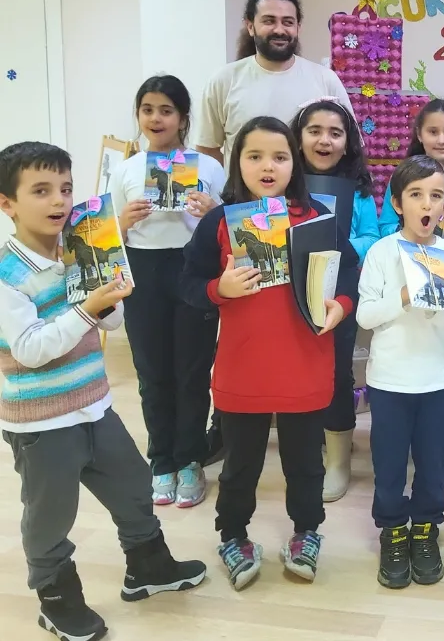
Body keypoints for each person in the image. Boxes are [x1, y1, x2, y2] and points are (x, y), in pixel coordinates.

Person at [0, 142, 206, 641]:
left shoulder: (78, 249)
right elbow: (30, 348)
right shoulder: (7, 275)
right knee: (50, 516)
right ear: (8, 204)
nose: (59, 200)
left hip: (95, 404)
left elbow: (109, 322)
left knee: (134, 485)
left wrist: (110, 292)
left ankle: (148, 566)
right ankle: (56, 598)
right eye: (41, 191)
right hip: (42, 423)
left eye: (66, 188)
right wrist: (88, 308)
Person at [180, 116, 359, 590]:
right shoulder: (221, 222)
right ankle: (233, 536)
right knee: (241, 464)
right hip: (244, 369)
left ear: (294, 162)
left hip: (305, 365)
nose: (267, 167)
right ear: (236, 162)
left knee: (306, 463)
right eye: (254, 156)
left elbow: (349, 272)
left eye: (279, 157)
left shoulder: (317, 217)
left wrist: (341, 306)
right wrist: (219, 289)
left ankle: (307, 532)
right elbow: (188, 284)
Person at [108, 75, 225, 508]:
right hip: (144, 272)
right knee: (152, 372)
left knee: (193, 372)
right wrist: (123, 222)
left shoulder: (208, 168)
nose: (156, 119)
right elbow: (106, 237)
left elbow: (231, 230)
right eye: (147, 110)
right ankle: (161, 461)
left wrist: (215, 212)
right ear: (138, 115)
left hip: (193, 269)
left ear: (183, 117)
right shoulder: (126, 169)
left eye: (166, 110)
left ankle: (190, 459)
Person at [357, 155, 444, 589]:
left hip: (438, 383)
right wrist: (405, 296)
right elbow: (366, 316)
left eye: (436, 196)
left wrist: (435, 302)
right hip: (389, 383)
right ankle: (392, 530)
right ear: (398, 203)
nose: (427, 204)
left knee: (432, 464)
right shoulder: (382, 253)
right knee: (388, 465)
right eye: (416, 195)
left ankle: (425, 529)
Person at [290, 96, 379, 501]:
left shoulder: (357, 191)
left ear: (347, 143)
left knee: (337, 372)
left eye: (335, 133)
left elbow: (372, 237)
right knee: (295, 370)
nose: (324, 141)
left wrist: (335, 244)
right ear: (298, 138)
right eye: (315, 131)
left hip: (339, 294)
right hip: (289, 293)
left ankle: (339, 458)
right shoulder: (283, 182)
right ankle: (306, 449)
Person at [196, 0, 355, 167]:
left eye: (288, 22)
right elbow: (207, 151)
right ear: (250, 26)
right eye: (269, 21)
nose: (279, 30)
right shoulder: (224, 80)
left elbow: (351, 148)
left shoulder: (326, 79)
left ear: (298, 27)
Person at [379, 99, 444, 236]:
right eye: (433, 132)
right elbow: (386, 226)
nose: (441, 141)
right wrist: (410, 235)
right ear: (419, 134)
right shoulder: (402, 177)